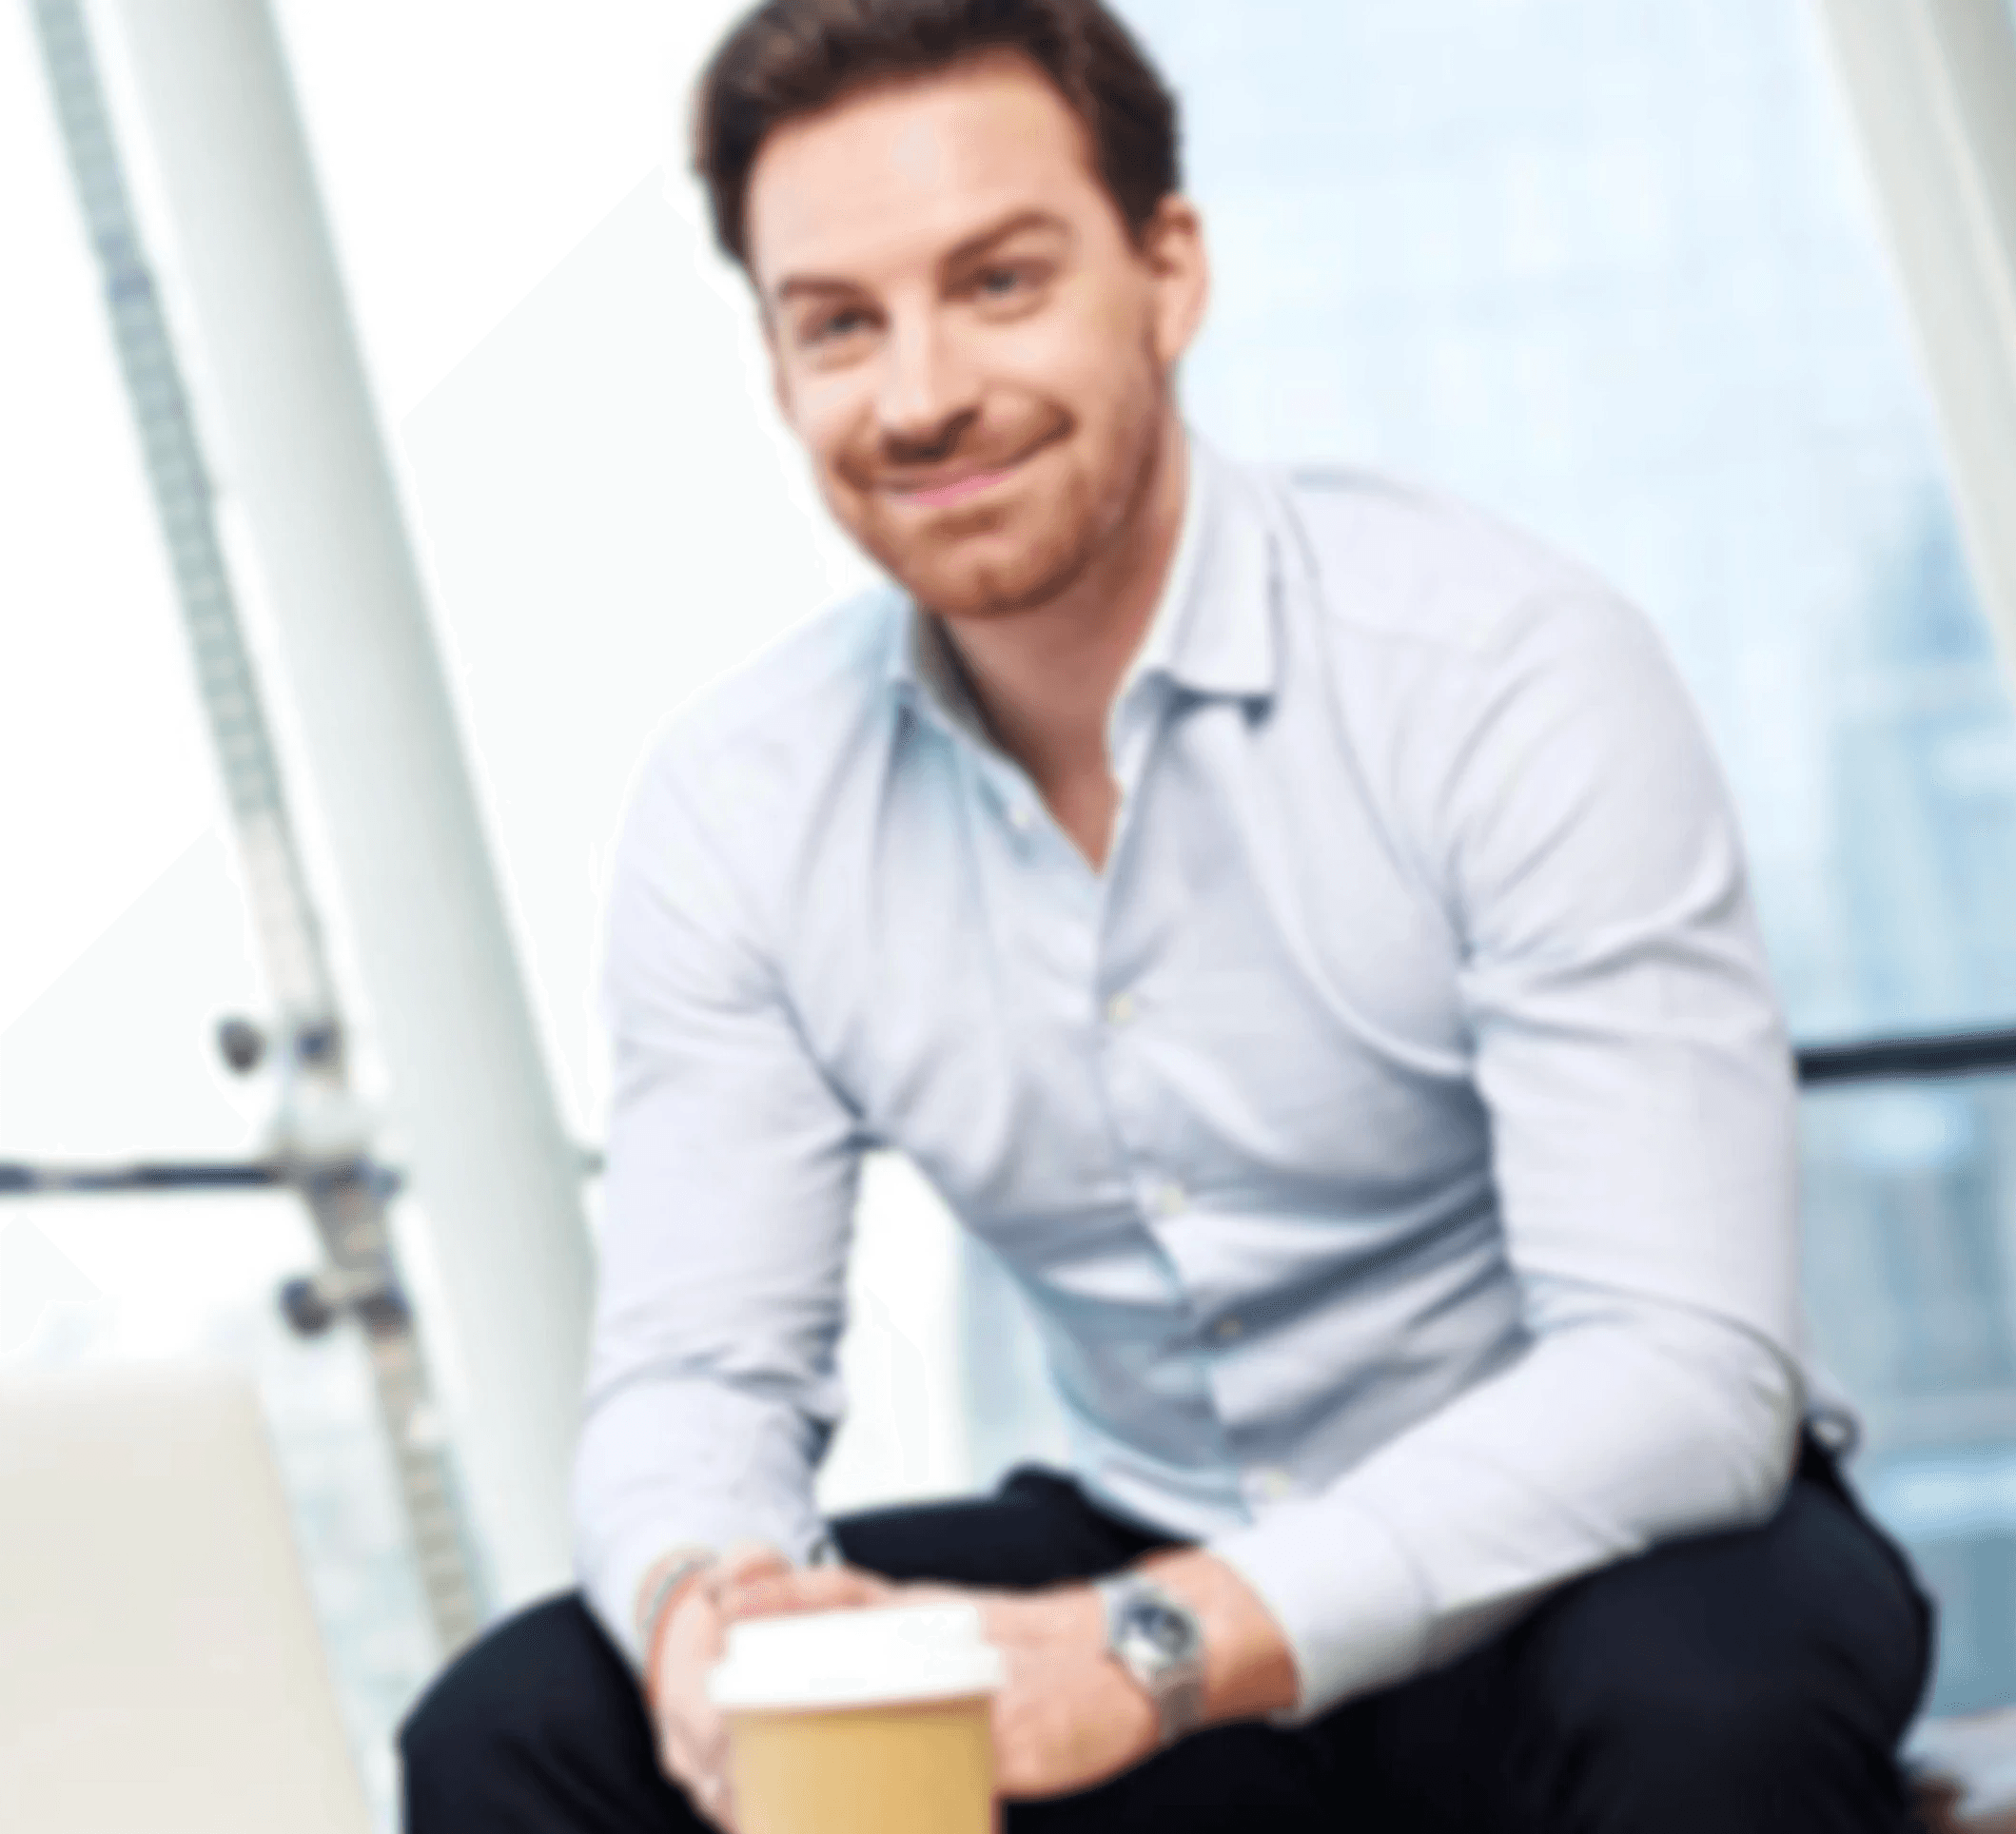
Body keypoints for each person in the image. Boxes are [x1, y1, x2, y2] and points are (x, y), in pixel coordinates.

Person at [400, 2, 1934, 1828]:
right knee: (519, 1725)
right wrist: (708, 1622)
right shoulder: (743, 809)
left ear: (1167, 272)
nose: (918, 395)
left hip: (1590, 1560)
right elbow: (695, 1376)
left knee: (1707, 1705)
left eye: (997, 283)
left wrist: (1152, 1649)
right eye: (839, 324)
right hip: (1144, 1543)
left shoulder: (1499, 671)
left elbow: (1679, 1374)